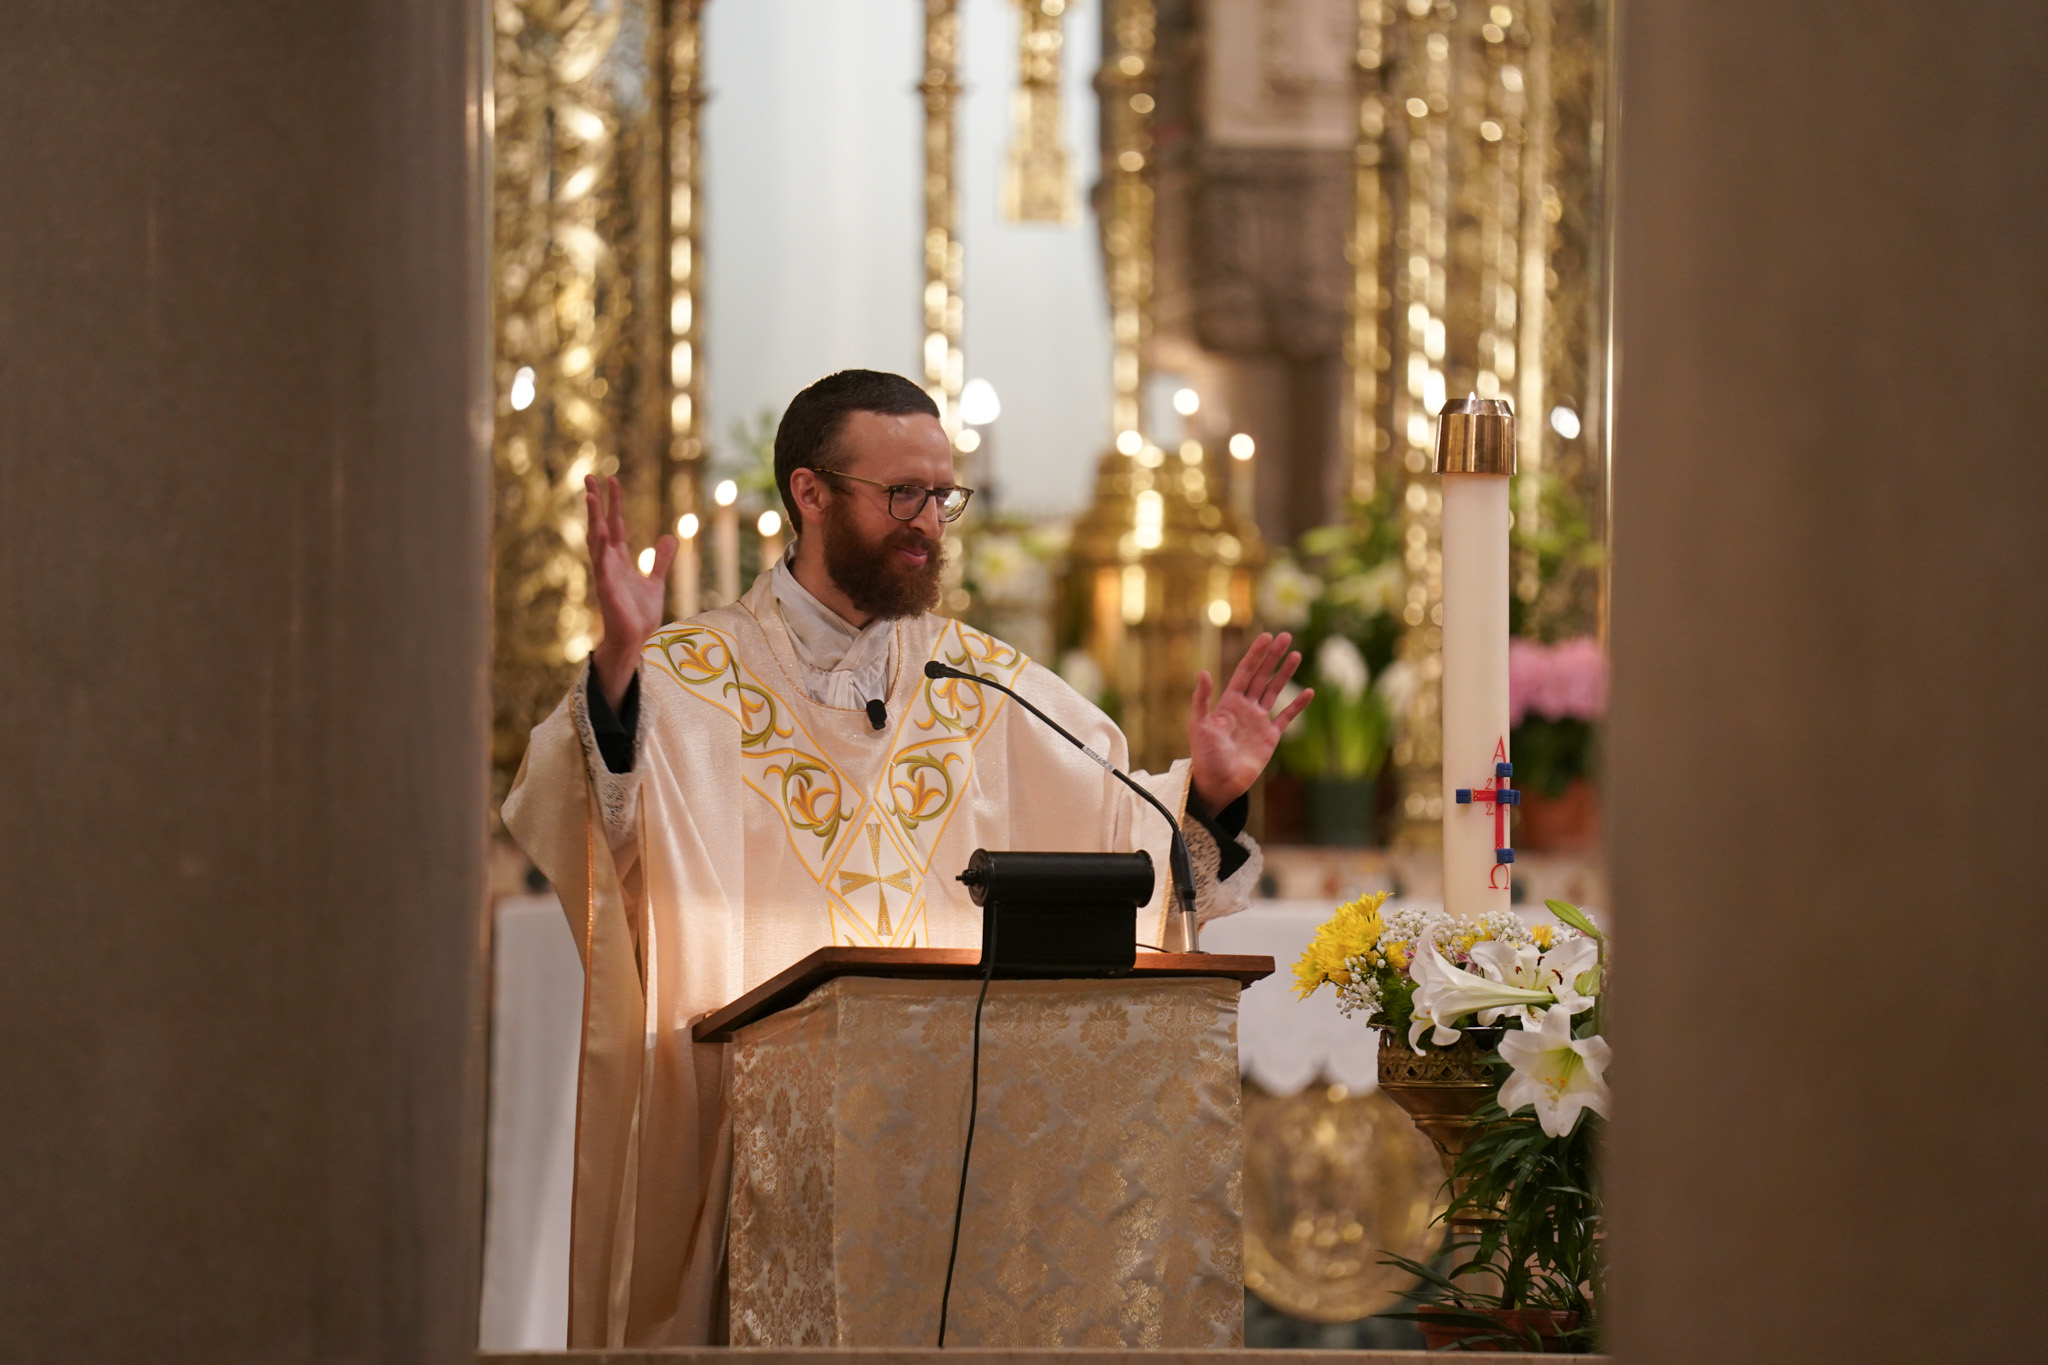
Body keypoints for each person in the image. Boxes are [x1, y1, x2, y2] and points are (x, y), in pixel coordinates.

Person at [503, 369, 1311, 1347]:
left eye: (941, 495)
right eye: (901, 495)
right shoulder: (688, 680)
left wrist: (1209, 795)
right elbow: (594, 813)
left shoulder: (983, 686)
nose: (928, 521)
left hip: (956, 1158)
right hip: (750, 1146)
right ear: (809, 493)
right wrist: (618, 672)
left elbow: (1121, 843)